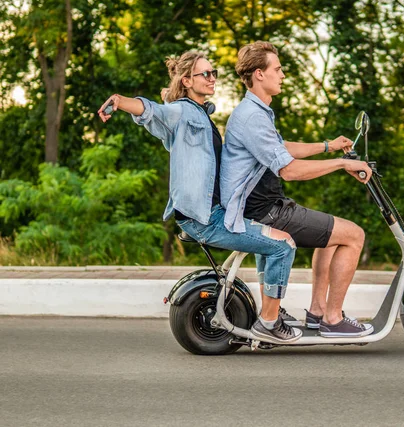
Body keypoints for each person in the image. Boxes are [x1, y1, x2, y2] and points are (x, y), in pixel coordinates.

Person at [97, 50, 302, 344]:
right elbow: (153, 110)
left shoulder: (203, 115)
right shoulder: (182, 111)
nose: (212, 78)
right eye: (204, 74)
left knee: (266, 242)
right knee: (283, 245)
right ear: (187, 80)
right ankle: (269, 324)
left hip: (215, 211)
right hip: (204, 217)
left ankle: (272, 313)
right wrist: (120, 102)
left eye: (213, 72)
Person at [221, 41, 374, 338]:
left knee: (330, 237)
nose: (283, 75)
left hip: (269, 205)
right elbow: (288, 170)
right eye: (277, 69)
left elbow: (281, 148)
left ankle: (318, 313)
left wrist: (328, 146)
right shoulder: (252, 116)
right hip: (266, 211)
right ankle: (333, 318)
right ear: (259, 74)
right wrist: (342, 164)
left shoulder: (257, 111)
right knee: (354, 235)